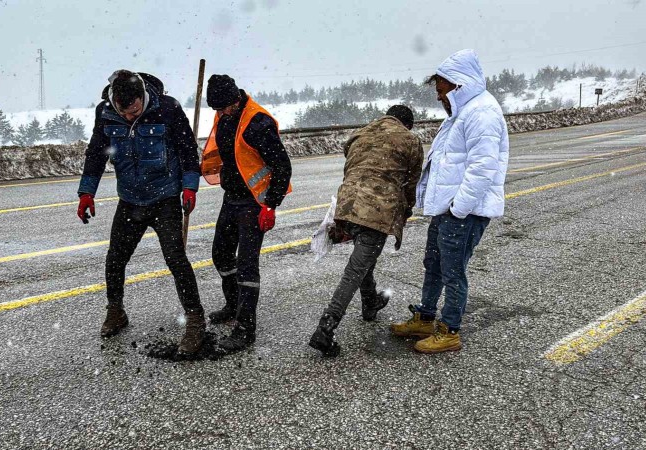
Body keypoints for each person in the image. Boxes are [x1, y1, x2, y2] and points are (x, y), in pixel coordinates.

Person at [76, 70, 206, 354]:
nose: (130, 117)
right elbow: (97, 152)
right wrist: (87, 192)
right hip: (130, 200)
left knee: (176, 260)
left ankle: (195, 318)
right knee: (115, 259)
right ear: (115, 102)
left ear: (142, 97)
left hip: (166, 198)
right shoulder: (106, 112)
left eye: (135, 110)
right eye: (125, 113)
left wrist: (189, 187)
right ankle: (116, 311)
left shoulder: (167, 108)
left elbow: (187, 151)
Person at [391, 49, 509, 353]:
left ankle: (449, 330)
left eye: (442, 91)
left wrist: (459, 208)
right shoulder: (461, 113)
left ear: (460, 85)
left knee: (453, 270)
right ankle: (425, 318)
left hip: (463, 212)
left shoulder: (481, 112)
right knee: (434, 263)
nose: (439, 97)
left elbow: (483, 168)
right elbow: (443, 161)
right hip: (447, 209)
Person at [308, 105, 424, 357]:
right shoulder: (410, 141)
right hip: (376, 209)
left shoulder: (360, 133)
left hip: (346, 204)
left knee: (363, 259)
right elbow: (411, 184)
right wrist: (406, 209)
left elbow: (351, 165)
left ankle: (370, 303)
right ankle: (325, 328)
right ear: (409, 125)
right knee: (355, 270)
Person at [200, 75, 293, 353]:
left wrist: (270, 205)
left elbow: (282, 166)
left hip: (255, 202)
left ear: (235, 99)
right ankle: (232, 304)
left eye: (224, 107)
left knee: (247, 264)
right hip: (232, 197)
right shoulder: (224, 116)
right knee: (221, 254)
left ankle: (245, 329)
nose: (220, 113)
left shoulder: (257, 123)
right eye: (216, 109)